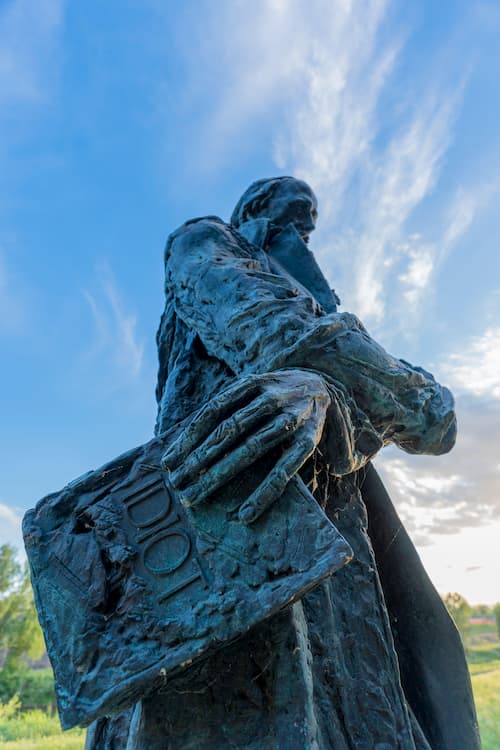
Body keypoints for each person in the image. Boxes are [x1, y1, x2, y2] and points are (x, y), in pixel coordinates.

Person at [90, 177, 479, 749]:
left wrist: (344, 392)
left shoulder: (302, 295)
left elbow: (434, 425)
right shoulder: (207, 240)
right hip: (218, 517)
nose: (302, 230)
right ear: (252, 208)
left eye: (309, 223)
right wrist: (402, 392)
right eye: (291, 214)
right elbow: (278, 336)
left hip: (331, 521)